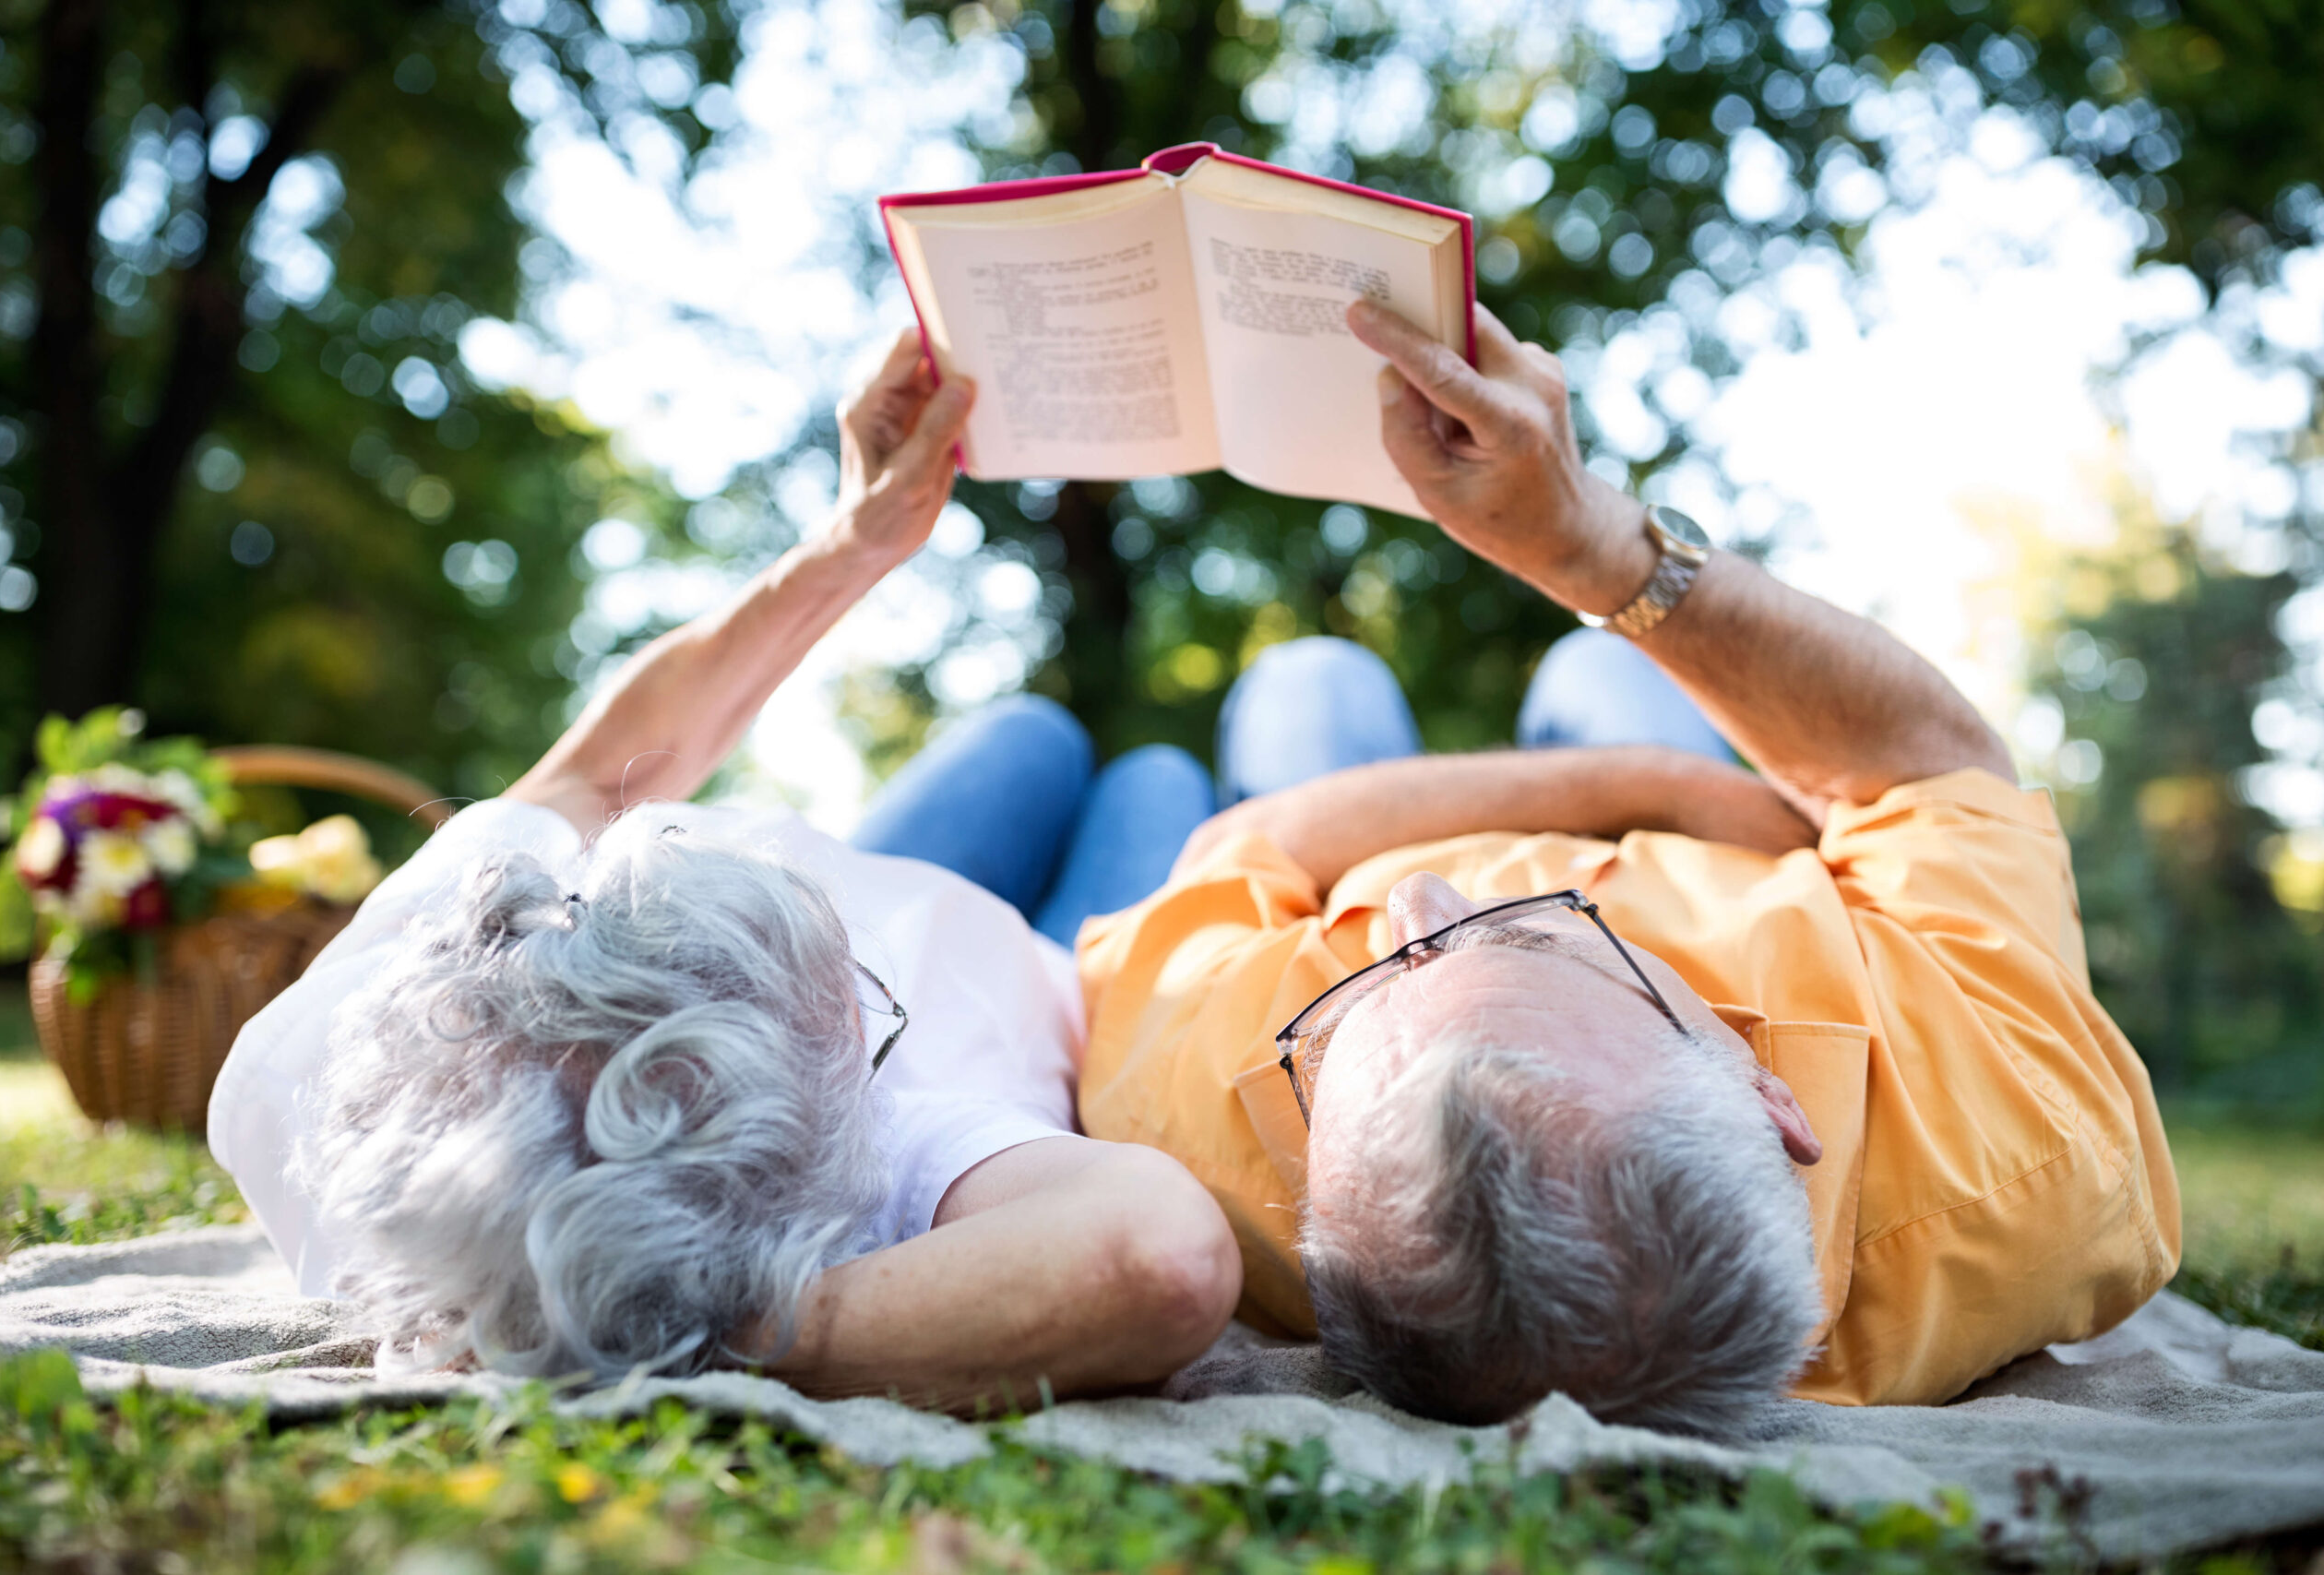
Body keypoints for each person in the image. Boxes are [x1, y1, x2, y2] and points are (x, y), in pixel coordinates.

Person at [1075, 300, 2180, 1436]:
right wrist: (1586, 556)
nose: (1420, 900)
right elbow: (1929, 767)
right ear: (1771, 1101)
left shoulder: (1207, 1127)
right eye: (1530, 934)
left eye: (1366, 993)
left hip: (1347, 836)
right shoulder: (2030, 1133)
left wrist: (1635, 792)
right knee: (1604, 666)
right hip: (1733, 833)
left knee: (1309, 678)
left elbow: (1243, 853)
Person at [208, 330, 1240, 1412]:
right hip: (1058, 970)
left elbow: (603, 769)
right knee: (1160, 778)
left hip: (899, 874)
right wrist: (711, 1339)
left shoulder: (342, 1034)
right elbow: (1161, 1258)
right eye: (856, 1012)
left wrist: (855, 540)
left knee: (1028, 733)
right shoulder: (877, 1183)